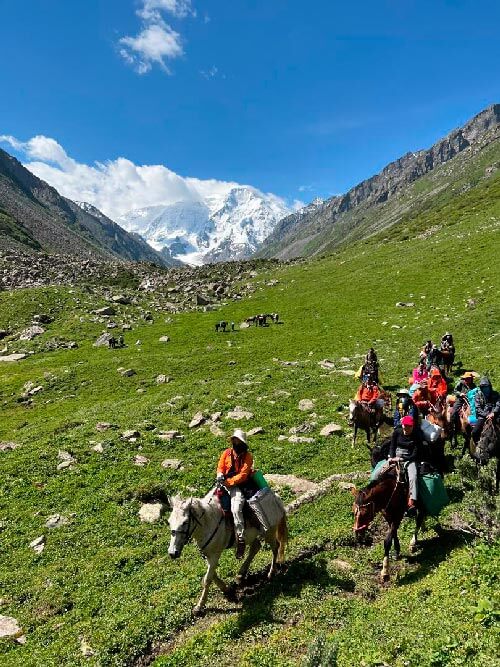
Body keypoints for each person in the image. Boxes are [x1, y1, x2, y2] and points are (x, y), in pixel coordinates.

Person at [373, 416, 423, 516]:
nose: (406, 429)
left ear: (412, 426)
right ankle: (374, 494)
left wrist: (402, 459)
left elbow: (415, 453)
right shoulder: (397, 432)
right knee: (378, 473)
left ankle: (412, 501)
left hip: (409, 458)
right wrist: (391, 457)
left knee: (413, 477)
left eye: (409, 427)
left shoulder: (417, 435)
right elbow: (392, 446)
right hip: (396, 456)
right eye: (405, 426)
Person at [216, 429, 253, 558]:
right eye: (234, 440)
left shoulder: (248, 456)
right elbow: (221, 466)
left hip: (237, 486)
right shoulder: (226, 453)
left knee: (236, 509)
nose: (235, 443)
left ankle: (241, 539)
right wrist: (220, 475)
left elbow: (243, 474)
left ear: (242, 442)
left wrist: (230, 482)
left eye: (238, 441)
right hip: (223, 483)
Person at [472, 377, 500, 444]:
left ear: (490, 387)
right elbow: (478, 408)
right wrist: (487, 415)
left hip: (495, 415)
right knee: (474, 432)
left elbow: (498, 404)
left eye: (487, 387)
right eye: (484, 388)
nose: (486, 389)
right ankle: (477, 445)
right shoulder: (478, 395)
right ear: (481, 388)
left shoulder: (495, 394)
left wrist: (494, 412)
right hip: (483, 416)